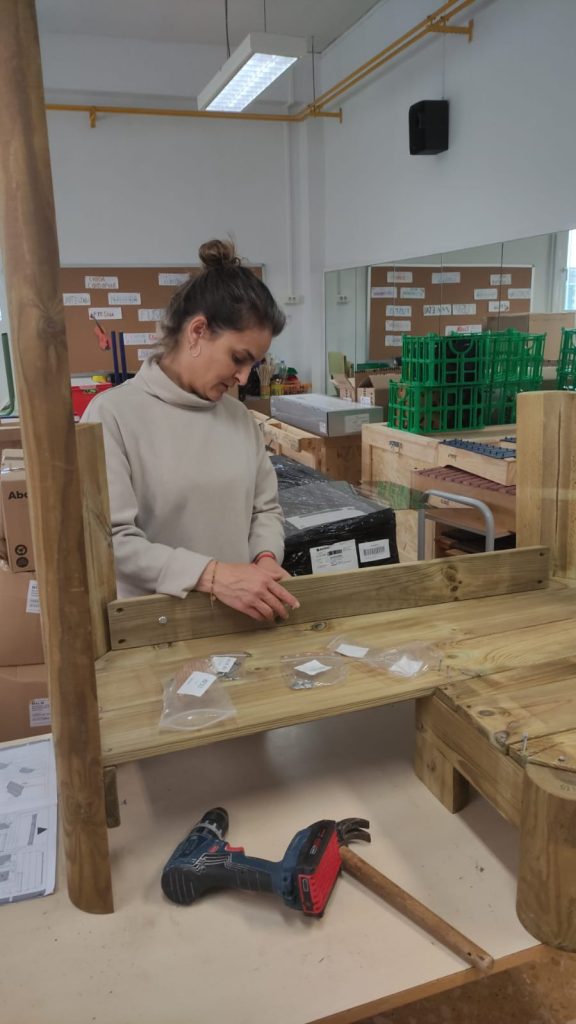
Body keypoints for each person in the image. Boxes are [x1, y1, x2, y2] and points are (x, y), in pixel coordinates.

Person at [82, 239, 299, 623]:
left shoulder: (238, 418)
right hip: (155, 628)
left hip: (240, 620)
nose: (243, 378)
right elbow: (109, 540)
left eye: (253, 364)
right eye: (238, 358)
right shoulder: (112, 415)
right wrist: (212, 576)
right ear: (197, 331)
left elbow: (265, 509)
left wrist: (265, 558)